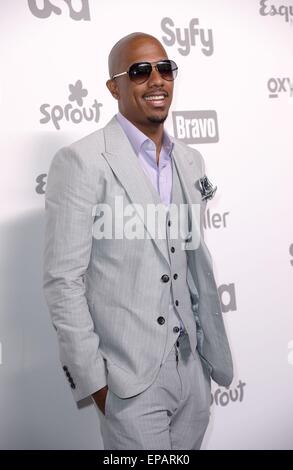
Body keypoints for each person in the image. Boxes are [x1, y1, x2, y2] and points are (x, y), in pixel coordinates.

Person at [43, 32, 233, 450]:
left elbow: (188, 260)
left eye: (164, 69)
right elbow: (63, 281)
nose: (156, 80)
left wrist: (203, 364)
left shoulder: (189, 159)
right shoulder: (82, 161)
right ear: (115, 86)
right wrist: (96, 383)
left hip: (192, 374)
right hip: (129, 383)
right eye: (140, 71)